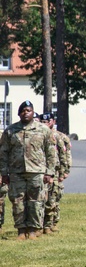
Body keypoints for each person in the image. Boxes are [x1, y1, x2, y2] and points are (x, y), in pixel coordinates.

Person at [0, 101, 56, 241]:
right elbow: (3, 153)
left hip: (36, 172)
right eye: (23, 111)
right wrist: (4, 172)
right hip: (16, 172)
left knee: (35, 202)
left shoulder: (43, 130)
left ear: (33, 112)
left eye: (29, 110)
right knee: (17, 202)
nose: (26, 113)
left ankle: (33, 230)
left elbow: (51, 153)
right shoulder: (10, 131)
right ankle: (21, 230)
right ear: (19, 114)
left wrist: (49, 172)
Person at [43, 113, 72, 234]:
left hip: (54, 171)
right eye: (42, 121)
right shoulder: (39, 134)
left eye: (47, 121)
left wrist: (64, 171)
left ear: (52, 122)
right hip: (41, 171)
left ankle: (51, 223)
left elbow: (64, 154)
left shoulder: (59, 136)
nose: (44, 123)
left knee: (54, 197)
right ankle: (41, 224)